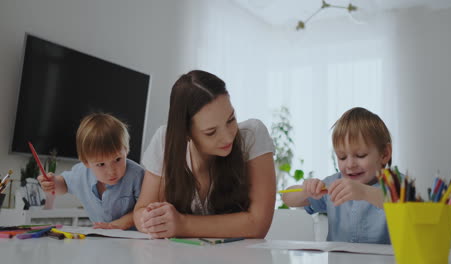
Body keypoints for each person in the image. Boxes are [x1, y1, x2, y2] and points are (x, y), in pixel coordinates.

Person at [134, 70, 276, 238]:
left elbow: (258, 225)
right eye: (211, 132)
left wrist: (182, 224)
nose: (228, 136)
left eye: (231, 120)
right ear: (186, 132)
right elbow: (141, 211)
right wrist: (152, 220)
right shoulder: (165, 141)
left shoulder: (252, 136)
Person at [282, 107, 392, 244]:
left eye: (360, 155)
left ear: (385, 154)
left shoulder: (396, 184)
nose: (350, 164)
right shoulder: (334, 183)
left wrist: (364, 192)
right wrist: (306, 190)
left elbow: (405, 205)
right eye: (342, 157)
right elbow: (287, 197)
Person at [38, 113, 145, 230]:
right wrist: (52, 183)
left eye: (118, 159)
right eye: (101, 164)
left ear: (126, 150)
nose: (111, 171)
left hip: (133, 239)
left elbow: (145, 208)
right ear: (86, 162)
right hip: (102, 237)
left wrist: (114, 225)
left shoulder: (137, 175)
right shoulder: (81, 173)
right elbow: (63, 184)